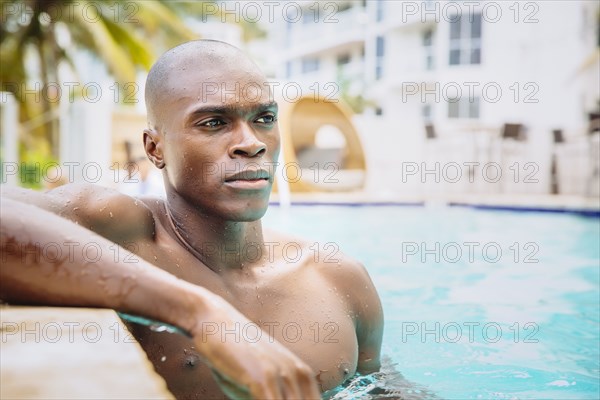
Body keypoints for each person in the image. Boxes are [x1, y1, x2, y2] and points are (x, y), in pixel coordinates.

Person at [0, 40, 383, 400]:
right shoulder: (116, 232)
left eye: (264, 118)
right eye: (214, 122)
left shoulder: (339, 279)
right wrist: (197, 311)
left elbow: (381, 390)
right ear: (155, 147)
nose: (251, 142)